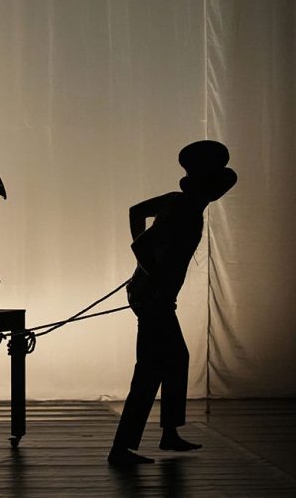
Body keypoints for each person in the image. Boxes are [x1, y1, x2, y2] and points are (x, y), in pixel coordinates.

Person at [108, 140, 237, 466]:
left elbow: (136, 212)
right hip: (154, 298)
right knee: (150, 369)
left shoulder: (177, 201)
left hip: (152, 295)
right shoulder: (184, 210)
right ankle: (122, 449)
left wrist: (148, 273)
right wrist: (154, 277)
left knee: (175, 359)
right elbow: (141, 247)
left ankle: (168, 433)